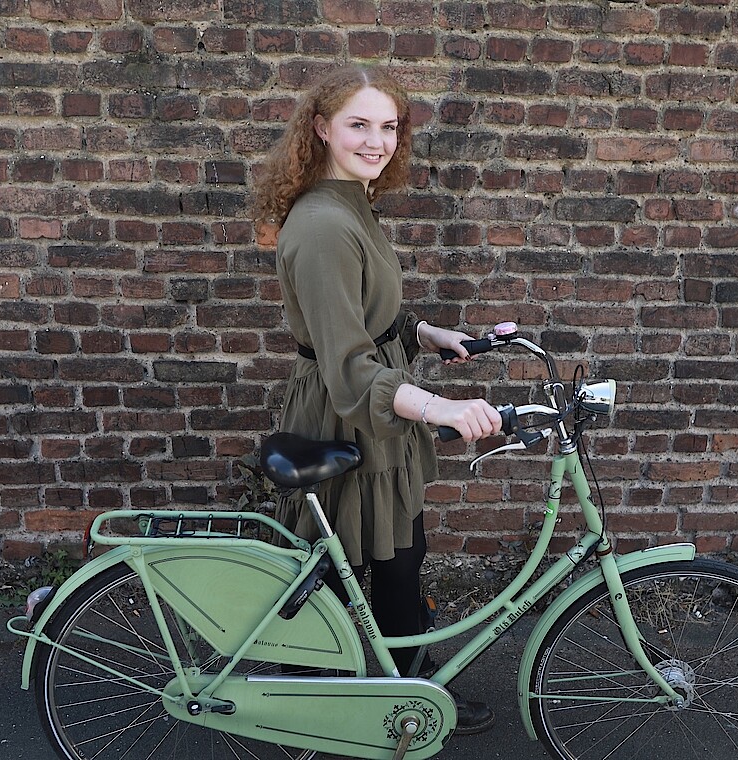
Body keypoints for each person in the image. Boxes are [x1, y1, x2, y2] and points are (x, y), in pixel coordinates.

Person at [251, 65, 501, 734]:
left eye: (388, 126)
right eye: (359, 124)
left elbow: (368, 312)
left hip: (376, 413)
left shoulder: (350, 202)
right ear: (321, 126)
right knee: (350, 566)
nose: (377, 140)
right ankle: (309, 709)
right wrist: (441, 408)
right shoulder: (326, 225)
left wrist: (431, 333)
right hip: (348, 411)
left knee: (397, 557)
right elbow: (348, 366)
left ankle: (409, 695)